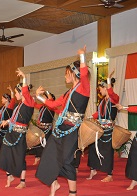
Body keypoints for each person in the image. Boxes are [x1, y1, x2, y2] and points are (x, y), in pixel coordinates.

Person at [35, 45, 90, 196]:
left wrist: (82, 57)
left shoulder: (83, 88)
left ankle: (73, 193)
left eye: (67, 73)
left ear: (74, 74)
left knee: (66, 160)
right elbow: (53, 104)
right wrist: (39, 96)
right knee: (48, 156)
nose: (65, 76)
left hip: (72, 130)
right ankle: (55, 184)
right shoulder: (68, 93)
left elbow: (84, 74)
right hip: (60, 129)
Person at [0, 69, 35, 189]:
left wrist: (24, 77)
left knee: (20, 157)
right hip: (11, 133)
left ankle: (22, 181)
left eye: (16, 92)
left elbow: (25, 91)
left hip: (19, 135)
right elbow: (14, 118)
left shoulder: (29, 103)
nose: (15, 94)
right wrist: (6, 121)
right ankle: (10, 176)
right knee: (4, 154)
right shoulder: (19, 105)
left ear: (22, 92)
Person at [87, 70, 119, 182]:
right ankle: (93, 169)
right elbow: (98, 113)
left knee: (108, 151)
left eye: (101, 88)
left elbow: (112, 92)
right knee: (93, 149)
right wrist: (90, 117)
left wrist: (109, 80)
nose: (99, 90)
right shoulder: (102, 101)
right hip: (100, 129)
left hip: (109, 130)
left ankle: (109, 175)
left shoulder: (114, 98)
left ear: (106, 88)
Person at [0, 85, 15, 161]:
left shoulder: (10, 107)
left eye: (2, 98)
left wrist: (11, 91)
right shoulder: (2, 108)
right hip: (1, 127)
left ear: (7, 99)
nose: (1, 99)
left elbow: (13, 99)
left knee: (5, 143)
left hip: (8, 128)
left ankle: (4, 156)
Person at [32, 91, 56, 165]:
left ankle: (48, 159)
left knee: (47, 144)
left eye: (45, 97)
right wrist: (33, 97)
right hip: (40, 128)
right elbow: (34, 104)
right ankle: (38, 157)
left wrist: (46, 92)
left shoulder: (52, 107)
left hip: (47, 129)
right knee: (36, 142)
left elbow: (51, 100)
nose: (43, 98)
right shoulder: (42, 106)